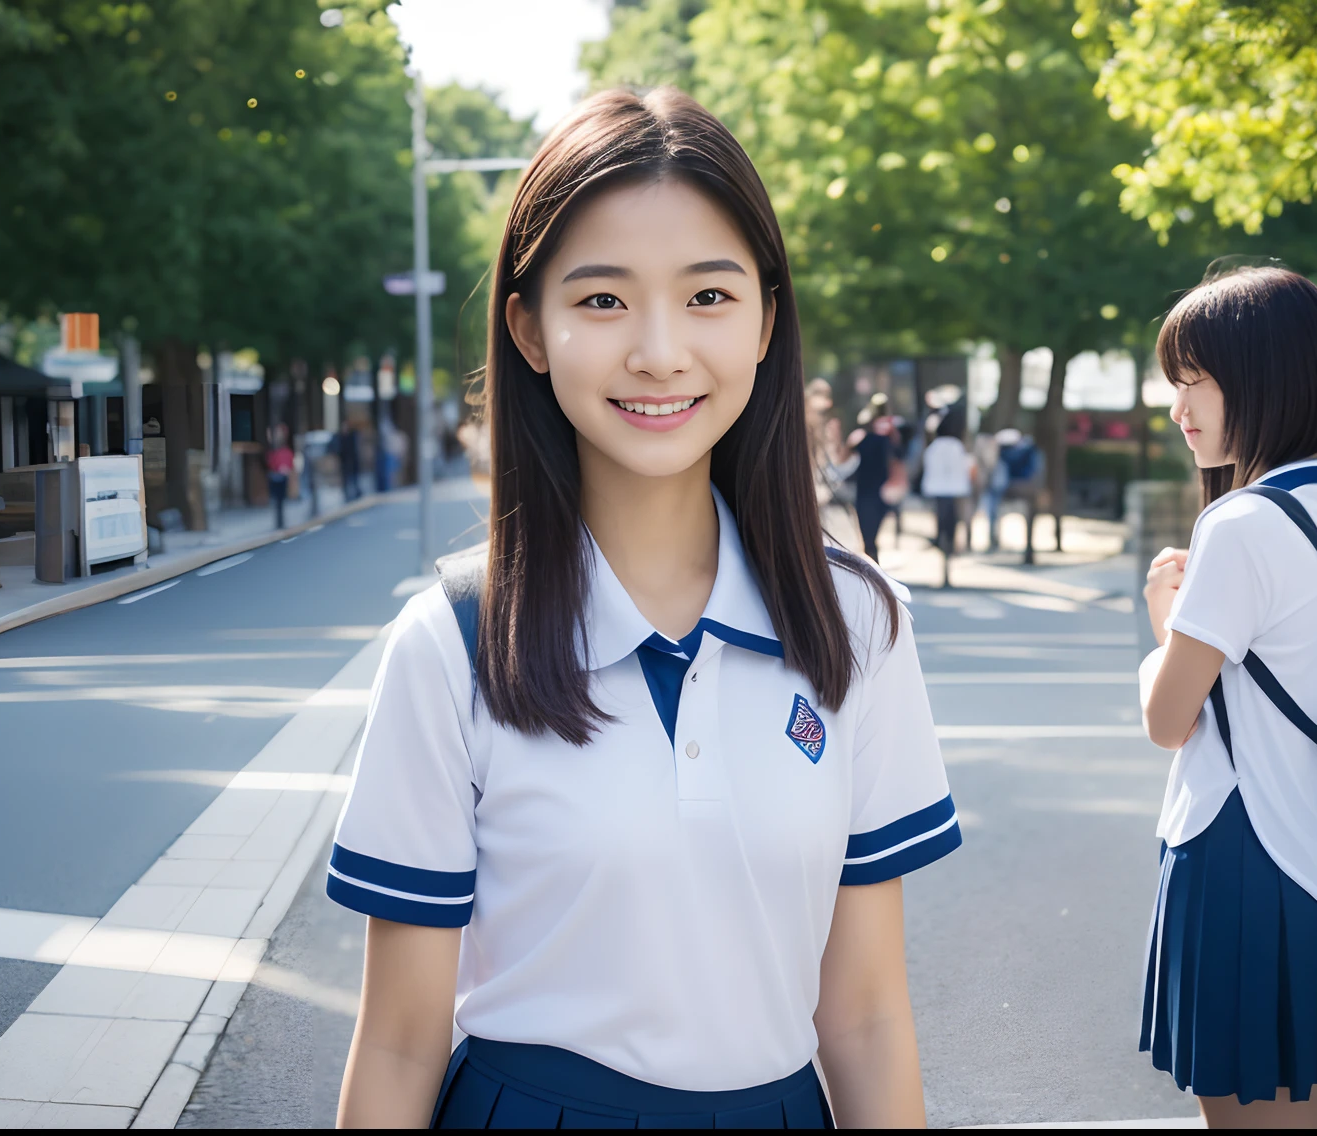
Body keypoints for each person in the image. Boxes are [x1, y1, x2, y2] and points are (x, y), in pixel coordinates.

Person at [329, 88, 958, 1130]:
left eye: (708, 296)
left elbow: (865, 1017)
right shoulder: (450, 640)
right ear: (527, 329)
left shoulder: (856, 622)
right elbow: (397, 1039)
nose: (660, 351)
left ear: (765, 317)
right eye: (603, 300)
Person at [1138, 266, 1317, 1129]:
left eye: (1193, 380)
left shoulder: (1241, 526)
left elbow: (1168, 721)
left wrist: (1162, 623)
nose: (1178, 409)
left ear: (1263, 375)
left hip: (1248, 854)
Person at [919, 403, 971, 574]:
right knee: (952, 521)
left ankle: (942, 543)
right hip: (954, 489)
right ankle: (949, 545)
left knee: (941, 519)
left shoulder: (934, 447)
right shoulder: (957, 446)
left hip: (937, 489)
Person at [846, 404, 902, 561]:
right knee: (868, 538)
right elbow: (846, 457)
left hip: (877, 491)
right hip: (866, 491)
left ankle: (873, 572)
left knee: (870, 538)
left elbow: (897, 460)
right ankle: (873, 571)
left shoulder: (889, 437)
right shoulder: (861, 437)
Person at [264, 425, 293, 530]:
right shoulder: (272, 448)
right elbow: (269, 460)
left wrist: (287, 468)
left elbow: (289, 459)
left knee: (280, 501)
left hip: (282, 476)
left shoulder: (285, 449)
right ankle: (278, 522)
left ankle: (281, 522)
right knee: (276, 501)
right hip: (275, 475)